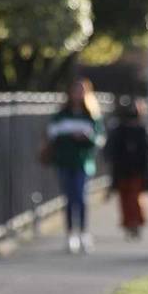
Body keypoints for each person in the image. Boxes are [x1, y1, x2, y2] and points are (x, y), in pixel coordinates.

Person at [47, 78, 104, 253]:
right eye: (75, 90)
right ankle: (71, 234)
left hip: (83, 162)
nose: (78, 94)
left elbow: (99, 138)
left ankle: (84, 233)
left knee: (80, 197)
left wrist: (86, 138)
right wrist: (69, 136)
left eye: (81, 91)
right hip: (64, 161)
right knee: (69, 199)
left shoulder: (91, 115)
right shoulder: (62, 115)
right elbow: (52, 134)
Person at [104, 98, 148, 239]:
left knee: (136, 199)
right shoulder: (118, 130)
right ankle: (128, 224)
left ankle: (136, 223)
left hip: (138, 171)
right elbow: (109, 151)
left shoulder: (143, 130)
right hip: (121, 171)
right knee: (124, 200)